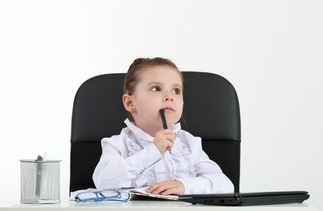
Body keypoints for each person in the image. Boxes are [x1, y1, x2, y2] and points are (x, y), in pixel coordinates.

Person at [93, 57, 234, 195]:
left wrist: (184, 186)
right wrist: (153, 151)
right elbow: (103, 182)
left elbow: (225, 184)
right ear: (130, 103)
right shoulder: (116, 144)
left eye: (176, 91)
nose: (169, 96)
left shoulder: (189, 143)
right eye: (156, 88)